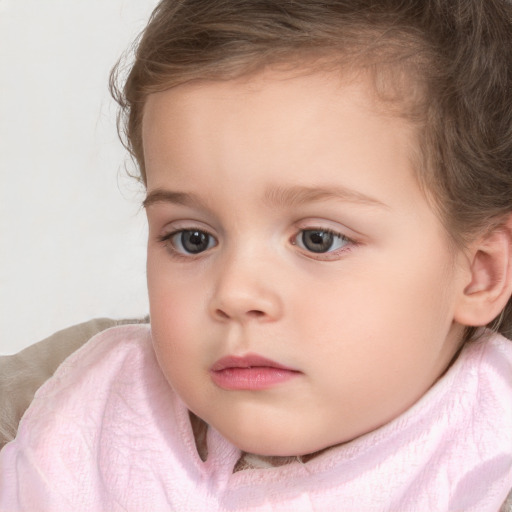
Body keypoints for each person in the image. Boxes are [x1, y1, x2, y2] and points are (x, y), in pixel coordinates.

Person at [1, 0, 512, 510]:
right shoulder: (61, 396)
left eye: (318, 239)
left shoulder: (491, 471)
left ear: (479, 274)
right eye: (192, 238)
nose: (235, 293)